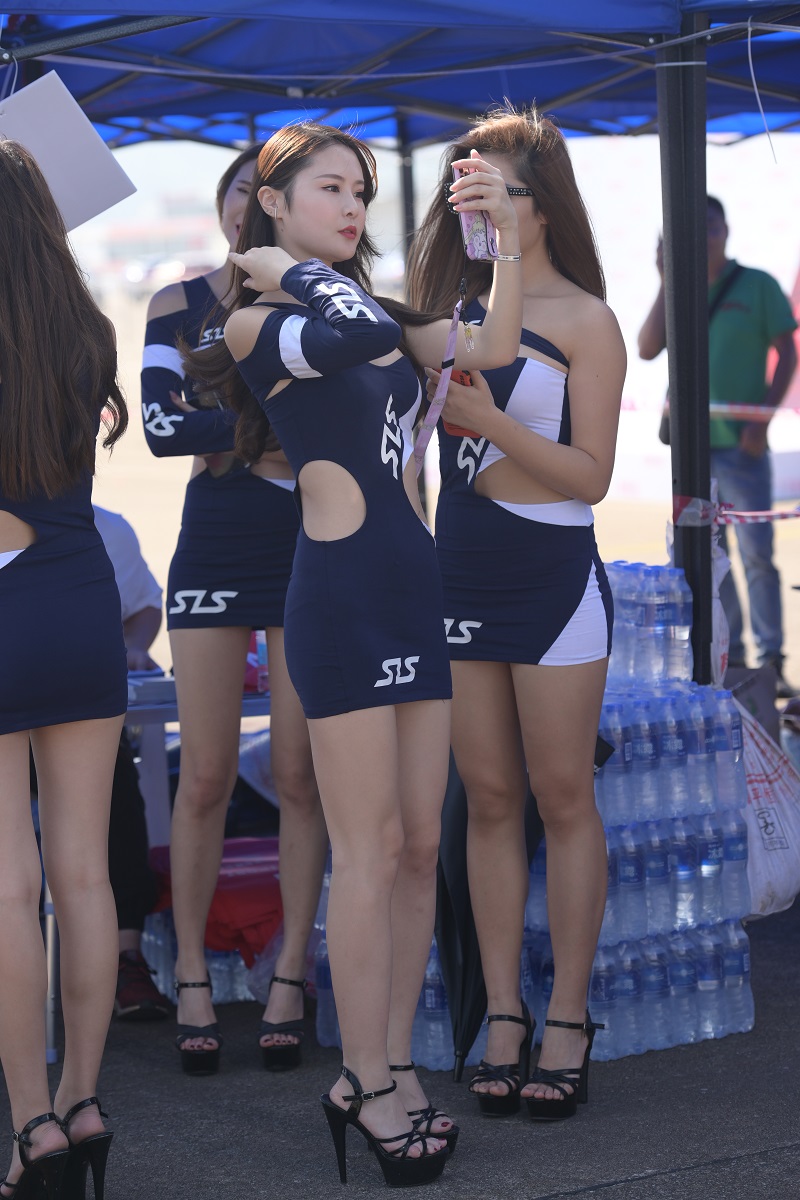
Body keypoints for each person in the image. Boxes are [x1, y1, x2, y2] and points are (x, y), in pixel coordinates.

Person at [184, 120, 522, 1184]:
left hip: (414, 589)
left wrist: (503, 246)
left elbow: (487, 349)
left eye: (360, 193)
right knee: (367, 849)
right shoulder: (257, 322)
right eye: (330, 188)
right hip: (337, 601)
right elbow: (348, 336)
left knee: (419, 847)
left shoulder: (369, 309)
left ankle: (394, 1062)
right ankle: (365, 1078)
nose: (351, 208)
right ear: (271, 198)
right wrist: (276, 266)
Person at [407, 105, 625, 1121]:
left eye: (493, 191)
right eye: (464, 192)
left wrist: (492, 421)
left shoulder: (586, 318)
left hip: (551, 579)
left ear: (540, 204)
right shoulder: (448, 314)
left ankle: (568, 1019)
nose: (476, 208)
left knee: (562, 795)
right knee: (487, 798)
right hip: (457, 576)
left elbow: (590, 475)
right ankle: (503, 1011)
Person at [141, 144, 328, 1073]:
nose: (250, 205)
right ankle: (190, 974)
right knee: (206, 776)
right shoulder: (176, 303)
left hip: (306, 541)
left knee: (297, 773)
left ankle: (291, 970)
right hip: (213, 544)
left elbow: (337, 428)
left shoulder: (317, 304)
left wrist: (233, 435)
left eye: (266, 193)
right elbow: (161, 428)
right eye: (240, 191)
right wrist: (264, 431)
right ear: (227, 207)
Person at [0, 139, 128, 1198]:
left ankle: (32, 1122)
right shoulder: (87, 330)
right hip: (83, 598)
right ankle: (83, 1101)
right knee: (83, 873)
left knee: (9, 884)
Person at [638, 196, 798, 696]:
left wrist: (761, 421)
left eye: (711, 226)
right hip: (693, 451)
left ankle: (772, 660)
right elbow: (646, 348)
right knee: (711, 558)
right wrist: (665, 277)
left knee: (756, 555)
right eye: (695, 227)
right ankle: (736, 659)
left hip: (743, 448)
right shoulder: (680, 288)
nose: (705, 236)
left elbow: (788, 352)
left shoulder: (758, 284)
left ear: (726, 230)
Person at [92, 505, 171, 1021]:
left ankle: (126, 958)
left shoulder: (107, 527)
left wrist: (135, 648)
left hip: (79, 716)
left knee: (118, 789)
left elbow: (143, 606)